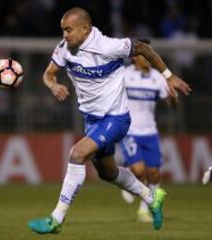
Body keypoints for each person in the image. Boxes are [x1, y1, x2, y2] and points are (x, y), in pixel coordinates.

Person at [27, 7, 191, 234]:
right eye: (63, 30)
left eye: (68, 30)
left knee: (77, 154)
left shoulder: (108, 46)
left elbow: (143, 48)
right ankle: (151, 198)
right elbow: (48, 74)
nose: (64, 35)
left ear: (85, 29)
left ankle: (56, 220)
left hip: (116, 118)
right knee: (108, 173)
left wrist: (168, 76)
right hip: (92, 120)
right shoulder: (65, 48)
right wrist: (53, 85)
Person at [119, 43, 178, 222]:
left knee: (154, 174)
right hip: (129, 130)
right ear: (135, 57)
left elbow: (172, 105)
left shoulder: (158, 78)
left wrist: (173, 99)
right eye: (145, 54)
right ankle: (126, 181)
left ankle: (144, 210)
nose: (149, 58)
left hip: (150, 132)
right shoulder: (125, 75)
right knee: (138, 170)